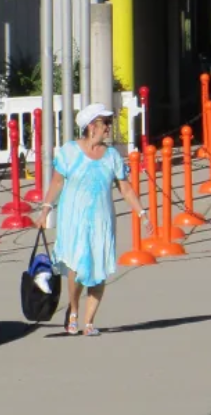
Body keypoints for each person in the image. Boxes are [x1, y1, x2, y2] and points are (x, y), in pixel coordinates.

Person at [34, 103, 145, 336]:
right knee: (76, 265)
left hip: (102, 221)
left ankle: (89, 322)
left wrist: (142, 213)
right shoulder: (69, 152)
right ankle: (73, 310)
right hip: (73, 219)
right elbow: (57, 182)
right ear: (92, 126)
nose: (109, 128)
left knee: (99, 268)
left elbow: (125, 189)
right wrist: (45, 209)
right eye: (106, 123)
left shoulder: (112, 156)